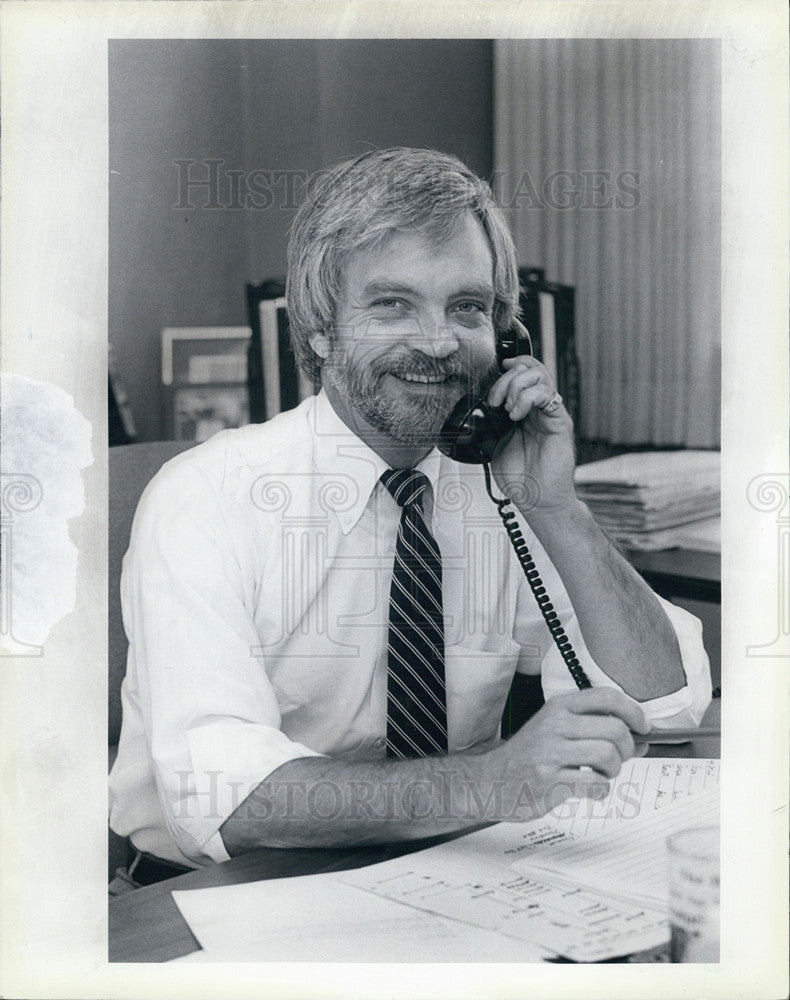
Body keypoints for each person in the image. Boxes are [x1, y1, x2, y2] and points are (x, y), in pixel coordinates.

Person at [109, 147, 711, 873]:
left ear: (506, 337)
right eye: (392, 303)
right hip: (218, 897)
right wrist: (494, 781)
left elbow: (667, 703)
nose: (437, 342)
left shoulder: (496, 488)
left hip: (449, 874)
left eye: (468, 308)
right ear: (321, 330)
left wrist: (558, 508)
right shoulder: (205, 497)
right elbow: (220, 794)